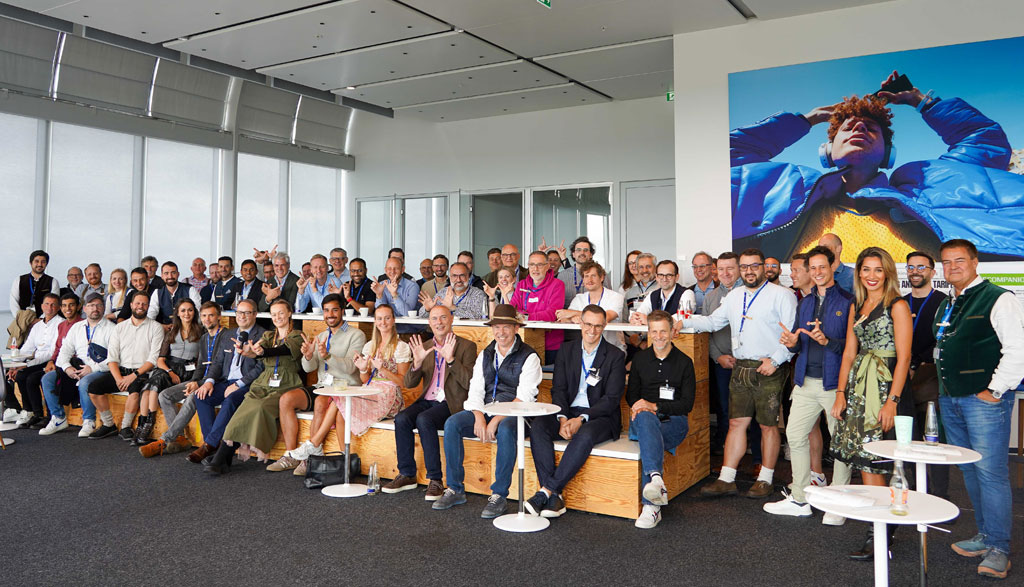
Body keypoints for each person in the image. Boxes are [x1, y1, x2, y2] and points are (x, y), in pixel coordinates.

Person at [730, 71, 1024, 261]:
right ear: (828, 152)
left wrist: (920, 101)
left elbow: (985, 141)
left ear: (888, 154)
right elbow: (729, 155)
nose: (858, 126)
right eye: (847, 127)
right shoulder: (786, 196)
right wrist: (811, 117)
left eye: (871, 127)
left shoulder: (925, 191)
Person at [934, 239, 1024, 579]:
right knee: (970, 471)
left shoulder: (999, 297)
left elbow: (1017, 349)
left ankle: (1000, 547)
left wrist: (995, 389)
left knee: (991, 474)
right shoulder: (949, 303)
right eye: (946, 262)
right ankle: (985, 536)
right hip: (952, 400)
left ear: (975, 263)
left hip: (984, 402)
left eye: (959, 261)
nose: (952, 267)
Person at [687, 249, 796, 499]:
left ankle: (765, 478)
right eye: (744, 266)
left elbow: (791, 336)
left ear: (764, 267)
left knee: (768, 425)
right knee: (736, 423)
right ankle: (727, 478)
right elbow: (713, 323)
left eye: (754, 266)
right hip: (740, 367)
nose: (749, 271)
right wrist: (681, 322)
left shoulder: (783, 295)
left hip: (769, 366)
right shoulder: (735, 296)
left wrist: (777, 360)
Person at [830, 247, 912, 561]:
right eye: (866, 269)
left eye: (878, 270)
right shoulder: (857, 304)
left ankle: (883, 533)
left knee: (882, 460)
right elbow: (850, 353)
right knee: (863, 460)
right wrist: (840, 393)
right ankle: (875, 529)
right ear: (859, 272)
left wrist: (892, 401)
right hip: (858, 390)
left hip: (883, 388)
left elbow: (904, 357)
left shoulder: (898, 305)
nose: (872, 276)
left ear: (888, 272)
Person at [763, 245, 854, 520]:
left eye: (821, 267)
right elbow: (798, 342)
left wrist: (828, 341)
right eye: (812, 268)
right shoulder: (804, 302)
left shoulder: (849, 301)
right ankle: (800, 499)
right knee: (795, 435)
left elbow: (853, 347)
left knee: (839, 443)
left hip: (834, 384)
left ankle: (838, 502)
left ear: (833, 266)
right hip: (804, 381)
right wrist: (792, 342)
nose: (817, 273)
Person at [433, 304, 541, 518]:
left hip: (518, 414)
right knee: (452, 424)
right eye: (497, 327)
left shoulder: (529, 356)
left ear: (517, 328)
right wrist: (479, 415)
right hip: (487, 409)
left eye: (506, 327)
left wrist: (496, 420)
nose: (501, 332)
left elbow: (524, 398)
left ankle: (499, 495)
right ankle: (455, 488)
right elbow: (475, 389)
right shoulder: (486, 353)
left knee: (506, 430)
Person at [526, 304, 626, 520]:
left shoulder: (615, 355)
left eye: (598, 326)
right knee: (539, 427)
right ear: (580, 323)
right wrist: (562, 418)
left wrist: (581, 418)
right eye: (588, 324)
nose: (592, 330)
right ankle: (554, 496)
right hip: (567, 411)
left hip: (600, 417)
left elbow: (611, 399)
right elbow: (558, 388)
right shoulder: (567, 350)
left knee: (585, 434)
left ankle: (546, 491)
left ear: (604, 326)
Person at [382, 305, 475, 499]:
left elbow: (468, 383)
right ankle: (407, 474)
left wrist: (451, 360)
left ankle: (436, 480)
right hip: (428, 399)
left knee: (425, 419)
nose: (439, 322)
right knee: (402, 419)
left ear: (451, 320)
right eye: (434, 319)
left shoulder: (467, 346)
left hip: (452, 402)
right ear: (429, 323)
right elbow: (408, 383)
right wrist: (416, 363)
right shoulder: (424, 347)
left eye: (443, 318)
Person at [204, 298, 304, 473]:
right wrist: (248, 352)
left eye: (281, 313)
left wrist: (262, 352)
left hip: (286, 383)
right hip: (264, 380)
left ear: (289, 313)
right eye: (274, 314)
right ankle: (224, 454)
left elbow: (283, 350)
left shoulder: (297, 335)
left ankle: (222, 456)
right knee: (245, 405)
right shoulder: (267, 336)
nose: (277, 317)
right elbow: (256, 352)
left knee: (260, 406)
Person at [268, 294, 365, 473]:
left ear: (343, 311)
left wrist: (328, 356)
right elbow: (308, 369)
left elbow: (352, 368)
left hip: (345, 387)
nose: (330, 314)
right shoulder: (321, 335)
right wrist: (308, 356)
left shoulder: (356, 335)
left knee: (321, 401)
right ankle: (291, 455)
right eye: (326, 310)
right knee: (286, 399)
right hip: (323, 386)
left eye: (335, 310)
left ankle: (311, 456)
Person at [626, 310, 696, 528]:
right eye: (654, 331)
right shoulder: (640, 360)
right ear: (648, 332)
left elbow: (687, 404)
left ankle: (655, 484)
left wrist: (654, 406)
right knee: (646, 419)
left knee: (648, 419)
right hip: (643, 422)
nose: (658, 336)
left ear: (672, 332)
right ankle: (652, 501)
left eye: (663, 331)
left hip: (673, 423)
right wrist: (641, 408)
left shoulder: (684, 362)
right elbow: (631, 397)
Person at [140, 301, 235, 458]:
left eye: (211, 315)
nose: (207, 319)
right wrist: (194, 381)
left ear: (219, 317)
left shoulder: (227, 335)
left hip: (217, 382)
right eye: (204, 316)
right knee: (164, 395)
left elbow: (222, 368)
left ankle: (164, 440)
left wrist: (199, 383)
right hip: (201, 379)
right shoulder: (204, 338)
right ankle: (180, 438)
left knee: (194, 396)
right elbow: (200, 366)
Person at [184, 299, 266, 464]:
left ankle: (209, 446)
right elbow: (218, 363)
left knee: (230, 400)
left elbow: (261, 368)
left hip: (248, 384)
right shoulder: (229, 334)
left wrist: (238, 384)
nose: (241, 316)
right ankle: (212, 444)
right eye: (239, 312)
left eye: (246, 312)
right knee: (201, 396)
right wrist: (209, 381)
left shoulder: (263, 335)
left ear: (255, 314)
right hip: (225, 381)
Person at [901, 250, 950, 500]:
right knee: (907, 441)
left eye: (921, 267)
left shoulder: (943, 302)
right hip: (903, 382)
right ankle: (918, 494)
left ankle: (941, 498)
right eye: (911, 267)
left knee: (934, 443)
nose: (915, 272)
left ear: (932, 271)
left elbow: (941, 342)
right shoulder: (900, 302)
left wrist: (915, 363)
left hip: (929, 380)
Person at [86, 292, 165, 440]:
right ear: (131, 305)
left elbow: (153, 359)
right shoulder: (120, 327)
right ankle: (109, 424)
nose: (140, 306)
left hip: (142, 373)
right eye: (137, 303)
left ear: (148, 306)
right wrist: (118, 378)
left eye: (144, 304)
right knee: (93, 388)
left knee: (134, 392)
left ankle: (125, 427)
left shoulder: (156, 327)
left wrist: (132, 376)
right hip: (120, 371)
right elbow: (112, 358)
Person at [39, 293, 114, 437]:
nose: (95, 309)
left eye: (98, 305)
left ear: (104, 308)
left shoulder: (111, 329)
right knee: (47, 379)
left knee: (86, 381)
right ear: (85, 308)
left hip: (101, 368)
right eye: (91, 305)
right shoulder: (77, 327)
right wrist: (67, 368)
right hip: (77, 367)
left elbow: (114, 358)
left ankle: (89, 421)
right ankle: (58, 418)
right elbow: (64, 352)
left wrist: (92, 368)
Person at [133, 299, 202, 446]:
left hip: (189, 371)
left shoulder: (201, 332)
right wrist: (170, 372)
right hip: (168, 368)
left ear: (194, 312)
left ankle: (152, 428)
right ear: (177, 313)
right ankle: (144, 425)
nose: (186, 313)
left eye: (190, 310)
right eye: (183, 310)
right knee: (152, 385)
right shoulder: (172, 331)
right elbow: (160, 360)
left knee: (153, 386)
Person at [3, 293, 64, 428]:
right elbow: (27, 348)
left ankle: (40, 414)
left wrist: (26, 364)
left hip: (51, 361)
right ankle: (29, 411)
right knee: (18, 374)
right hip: (35, 360)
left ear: (59, 307)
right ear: (42, 306)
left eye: (53, 304)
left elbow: (52, 352)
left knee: (30, 378)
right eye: (47, 304)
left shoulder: (61, 323)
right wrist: (15, 365)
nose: (50, 307)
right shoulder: (37, 325)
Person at [703, 252, 740, 454]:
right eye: (721, 269)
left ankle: (754, 458)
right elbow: (707, 333)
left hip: (747, 363)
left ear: (739, 269)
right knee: (725, 410)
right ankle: (726, 453)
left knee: (748, 413)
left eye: (730, 268)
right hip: (722, 363)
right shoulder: (710, 298)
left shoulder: (748, 293)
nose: (725, 273)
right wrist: (717, 357)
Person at [31, 292, 82, 431]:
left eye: (71, 305)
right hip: (61, 363)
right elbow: (58, 347)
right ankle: (57, 417)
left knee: (44, 378)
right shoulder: (62, 325)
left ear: (78, 306)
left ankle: (52, 417)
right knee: (44, 378)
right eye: (64, 306)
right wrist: (52, 361)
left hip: (77, 364)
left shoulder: (82, 324)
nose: (68, 309)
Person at [510, 250, 565, 363]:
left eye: (539, 265)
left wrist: (525, 317)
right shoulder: (522, 285)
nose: (535, 269)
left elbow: (552, 313)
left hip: (550, 345)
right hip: (524, 342)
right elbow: (513, 310)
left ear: (547, 266)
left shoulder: (557, 285)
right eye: (532, 265)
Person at [558, 261, 625, 350]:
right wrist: (571, 318)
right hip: (586, 349)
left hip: (613, 348)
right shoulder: (579, 298)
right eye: (586, 276)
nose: (589, 280)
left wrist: (575, 314)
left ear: (601, 278)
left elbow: (606, 317)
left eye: (593, 276)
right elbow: (563, 318)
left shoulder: (616, 297)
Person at [550, 236, 611, 306]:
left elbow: (609, 299)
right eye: (578, 250)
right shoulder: (562, 276)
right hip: (568, 315)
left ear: (591, 254)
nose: (582, 253)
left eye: (585, 250)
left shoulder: (601, 274)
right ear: (573, 254)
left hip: (594, 315)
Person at [629, 260, 696, 322]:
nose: (664, 279)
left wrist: (649, 320)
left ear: (677, 277)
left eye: (669, 275)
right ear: (656, 277)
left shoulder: (687, 293)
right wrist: (635, 318)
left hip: (679, 335)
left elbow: (682, 316)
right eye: (661, 275)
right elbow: (639, 313)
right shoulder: (652, 295)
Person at [418, 262, 488, 320]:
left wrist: (453, 308)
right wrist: (427, 309)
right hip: (445, 333)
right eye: (454, 276)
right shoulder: (443, 293)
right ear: (450, 277)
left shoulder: (478, 294)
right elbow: (421, 316)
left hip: (469, 334)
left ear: (468, 277)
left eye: (462, 275)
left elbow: (479, 316)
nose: (458, 280)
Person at [371, 256, 420, 334]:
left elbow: (407, 313)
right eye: (389, 269)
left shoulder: (412, 286)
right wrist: (379, 295)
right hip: (387, 331)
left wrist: (395, 294)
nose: (392, 271)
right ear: (385, 270)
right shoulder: (382, 285)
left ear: (403, 270)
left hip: (408, 332)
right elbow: (380, 313)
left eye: (396, 268)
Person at [147, 262, 202, 326]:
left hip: (188, 328)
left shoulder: (190, 290)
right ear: (162, 276)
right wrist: (161, 327)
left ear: (178, 274)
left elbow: (198, 313)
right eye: (166, 273)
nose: (170, 276)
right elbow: (151, 315)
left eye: (173, 273)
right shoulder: (157, 292)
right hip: (165, 330)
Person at [9, 249, 60, 315]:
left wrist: (42, 320)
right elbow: (13, 302)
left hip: (44, 320)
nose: (39, 264)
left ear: (46, 264)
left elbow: (54, 303)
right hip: (22, 318)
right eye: (37, 261)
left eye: (43, 262)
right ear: (31, 263)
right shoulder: (19, 280)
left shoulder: (53, 281)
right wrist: (20, 318)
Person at [622, 253, 656, 317]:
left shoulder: (661, 290)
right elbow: (625, 321)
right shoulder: (629, 293)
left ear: (655, 268)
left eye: (648, 266)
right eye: (641, 267)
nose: (644, 270)